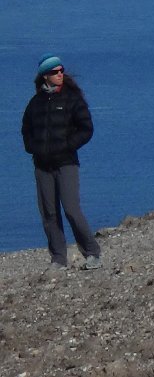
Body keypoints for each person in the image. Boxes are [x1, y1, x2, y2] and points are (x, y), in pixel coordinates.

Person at [21, 53, 101, 270]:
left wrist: (67, 145)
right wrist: (34, 148)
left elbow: (87, 129)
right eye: (55, 72)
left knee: (71, 209)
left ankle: (92, 253)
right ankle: (58, 258)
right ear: (45, 76)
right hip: (42, 166)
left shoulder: (72, 99)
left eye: (61, 70)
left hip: (66, 163)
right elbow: (26, 131)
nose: (60, 74)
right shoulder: (35, 103)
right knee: (49, 213)